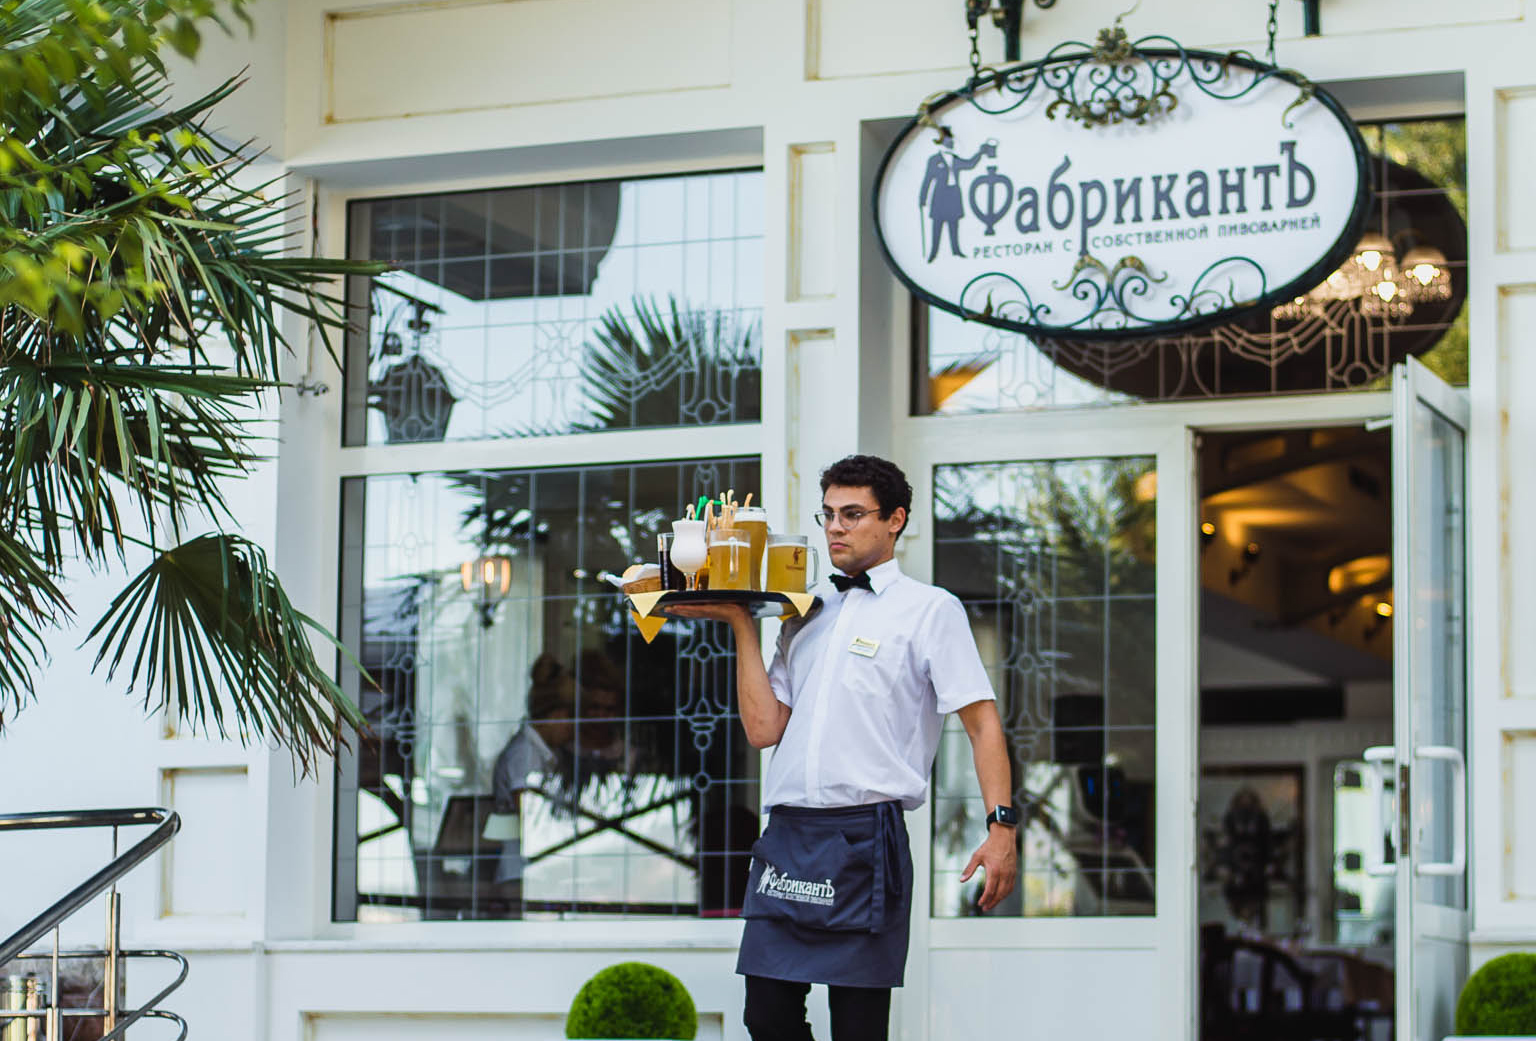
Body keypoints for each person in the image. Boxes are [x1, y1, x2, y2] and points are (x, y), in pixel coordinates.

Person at [673, 454, 1018, 1041]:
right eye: (828, 514)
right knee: (767, 1016)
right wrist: (741, 622)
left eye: (853, 514)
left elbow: (982, 722)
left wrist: (1001, 827)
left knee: (858, 1028)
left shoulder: (931, 610)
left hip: (866, 838)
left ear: (895, 520)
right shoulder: (802, 608)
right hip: (789, 835)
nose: (835, 527)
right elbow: (763, 730)